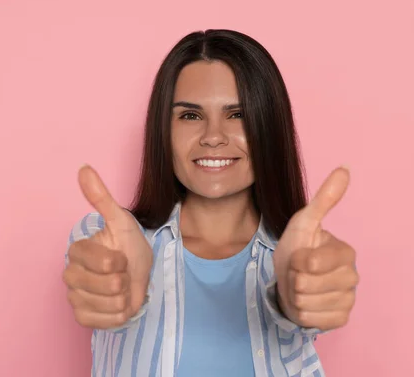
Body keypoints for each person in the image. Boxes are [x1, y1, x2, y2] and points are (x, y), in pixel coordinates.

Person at [63, 29, 359, 377]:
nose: (213, 136)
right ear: (163, 130)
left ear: (269, 127)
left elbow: (301, 306)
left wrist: (293, 299)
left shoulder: (300, 254)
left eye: (238, 115)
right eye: (190, 115)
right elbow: (98, 279)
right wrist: (113, 290)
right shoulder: (106, 239)